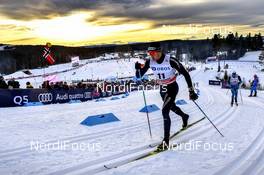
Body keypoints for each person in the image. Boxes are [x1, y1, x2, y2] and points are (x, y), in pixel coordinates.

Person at [135, 42, 198, 149]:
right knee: (171, 107)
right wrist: (137, 69)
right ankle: (184, 116)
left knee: (165, 111)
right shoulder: (150, 62)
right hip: (162, 88)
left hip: (172, 87)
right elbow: (139, 76)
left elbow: (185, 73)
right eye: (150, 53)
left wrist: (191, 90)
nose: (152, 55)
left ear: (159, 51)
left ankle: (166, 141)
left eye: (153, 53)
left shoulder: (170, 60)